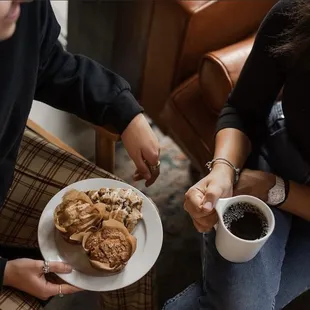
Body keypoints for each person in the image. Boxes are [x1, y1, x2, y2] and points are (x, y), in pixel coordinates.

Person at [0, 0, 160, 307]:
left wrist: (124, 112)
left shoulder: (20, 9)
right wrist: (4, 273)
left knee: (137, 251)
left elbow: (47, 62)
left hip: (6, 171)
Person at [163, 0, 310, 309]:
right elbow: (243, 109)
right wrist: (222, 171)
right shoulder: (297, 13)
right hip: (281, 151)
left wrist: (275, 189)